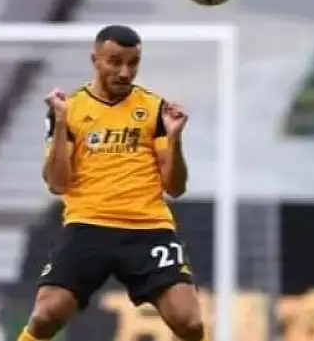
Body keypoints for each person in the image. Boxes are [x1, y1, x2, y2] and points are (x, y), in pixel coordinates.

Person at [18, 25, 206, 341]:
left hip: (148, 229)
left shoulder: (154, 109)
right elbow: (57, 184)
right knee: (45, 316)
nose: (124, 72)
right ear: (95, 60)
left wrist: (175, 139)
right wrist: (61, 123)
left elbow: (175, 188)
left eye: (133, 63)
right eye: (115, 62)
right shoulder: (70, 108)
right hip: (88, 225)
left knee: (190, 323)